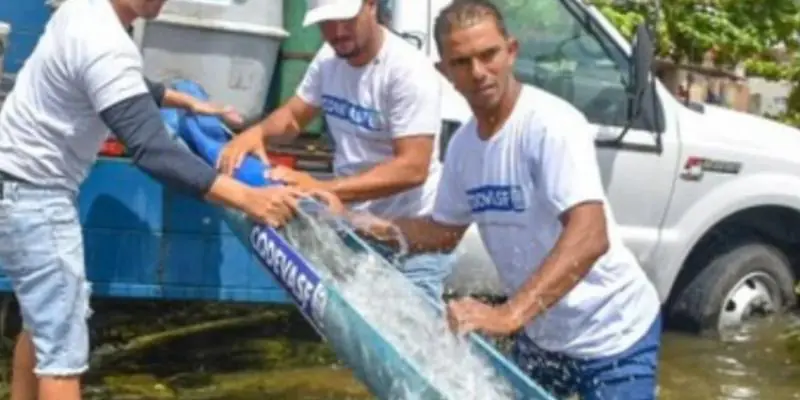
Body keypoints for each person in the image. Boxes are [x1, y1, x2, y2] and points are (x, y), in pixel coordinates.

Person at [0, 0, 319, 399]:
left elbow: (128, 86)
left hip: (16, 186)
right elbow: (153, 150)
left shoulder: (82, 11)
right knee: (63, 354)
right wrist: (247, 198)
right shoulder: (103, 40)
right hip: (37, 195)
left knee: (43, 327)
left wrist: (186, 101)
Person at [362, 1, 663, 399]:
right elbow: (441, 233)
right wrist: (359, 223)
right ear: (444, 72)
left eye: (489, 55)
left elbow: (591, 235)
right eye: (462, 62)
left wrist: (507, 314)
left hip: (614, 333)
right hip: (541, 335)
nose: (479, 73)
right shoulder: (465, 146)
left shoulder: (551, 125)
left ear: (511, 51)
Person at [217, 0, 455, 301]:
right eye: (326, 23)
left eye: (345, 18)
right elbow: (294, 116)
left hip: (410, 235)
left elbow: (412, 167)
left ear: (371, 5)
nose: (337, 31)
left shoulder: (407, 71)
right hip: (355, 227)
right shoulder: (329, 58)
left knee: (411, 337)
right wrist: (256, 134)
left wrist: (323, 187)